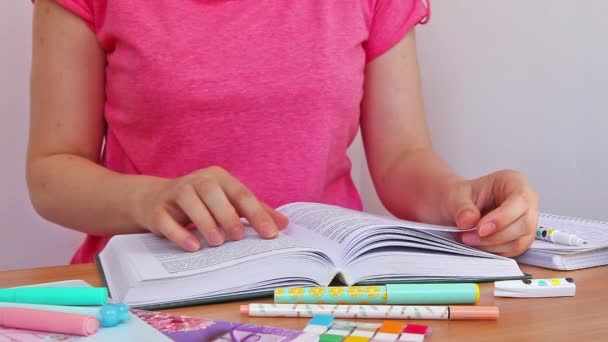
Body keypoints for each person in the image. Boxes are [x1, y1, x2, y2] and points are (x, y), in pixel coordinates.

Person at [26, 0, 538, 264]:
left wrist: (461, 201)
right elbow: (52, 173)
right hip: (147, 289)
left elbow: (403, 157)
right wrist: (153, 198)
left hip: (322, 287)